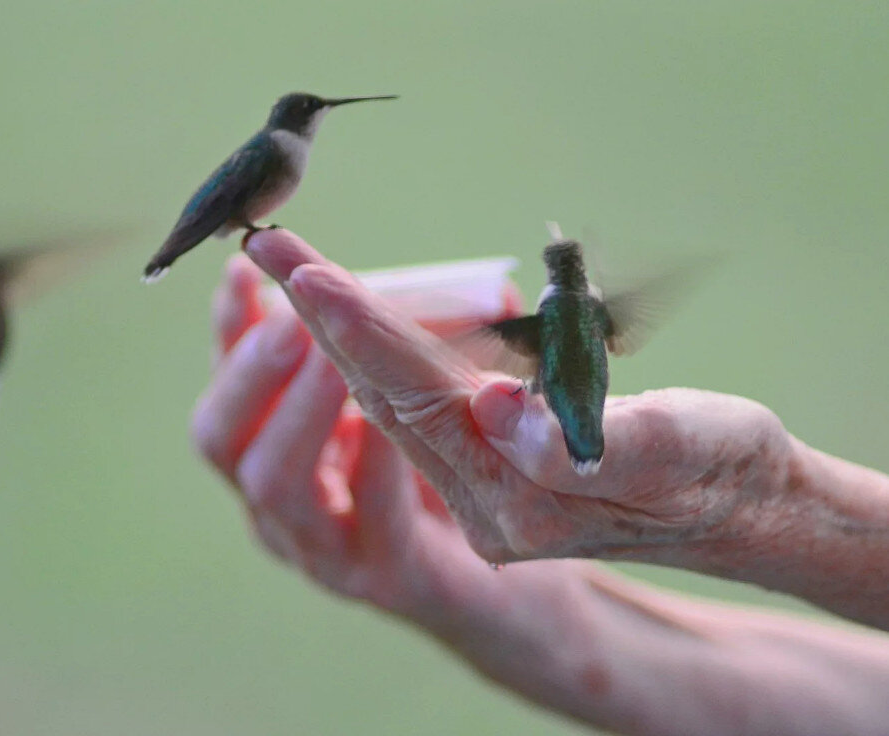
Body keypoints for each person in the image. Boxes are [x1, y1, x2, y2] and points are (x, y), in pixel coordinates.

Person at [190, 228, 889, 736]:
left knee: (559, 413)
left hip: (566, 397)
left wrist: (776, 508)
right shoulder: (584, 311)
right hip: (573, 401)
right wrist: (564, 630)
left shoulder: (553, 317)